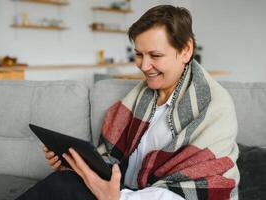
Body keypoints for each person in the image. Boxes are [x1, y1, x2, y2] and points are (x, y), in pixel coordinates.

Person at [17, 4, 239, 200]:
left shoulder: (215, 106)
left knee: (61, 187)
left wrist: (119, 198)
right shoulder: (141, 98)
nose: (143, 66)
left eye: (155, 55)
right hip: (126, 191)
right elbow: (113, 164)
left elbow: (197, 185)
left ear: (186, 50)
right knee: (64, 182)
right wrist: (74, 163)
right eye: (139, 55)